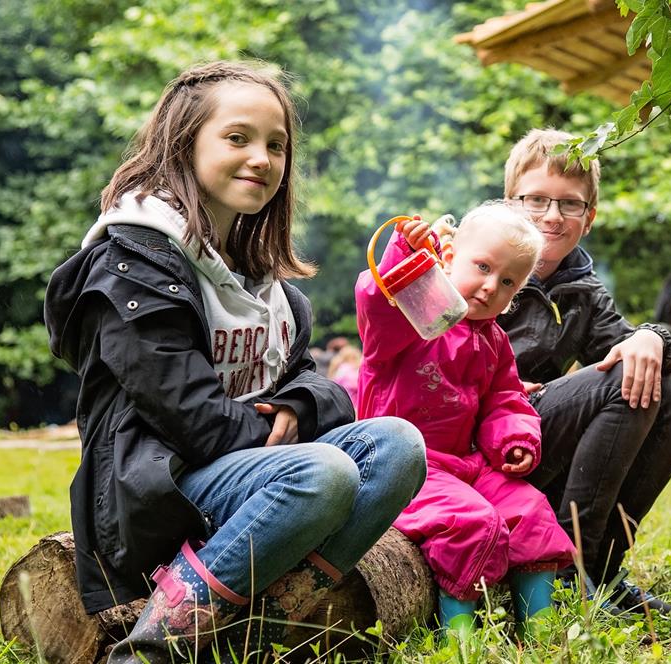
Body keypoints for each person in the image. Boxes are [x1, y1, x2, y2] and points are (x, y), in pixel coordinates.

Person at [43, 61, 427, 663]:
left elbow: (315, 387)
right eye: (238, 137)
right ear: (183, 144)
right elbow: (189, 415)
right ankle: (151, 650)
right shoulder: (133, 267)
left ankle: (260, 630)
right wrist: (290, 439)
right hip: (152, 491)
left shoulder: (269, 291)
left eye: (276, 146)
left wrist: (299, 406)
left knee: (398, 445)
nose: (262, 158)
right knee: (323, 471)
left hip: (248, 479)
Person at [496, 129, 671, 616]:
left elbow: (631, 349)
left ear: (588, 218)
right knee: (621, 377)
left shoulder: (582, 291)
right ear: (510, 204)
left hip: (538, 443)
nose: (552, 216)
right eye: (537, 200)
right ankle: (572, 567)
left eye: (569, 204)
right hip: (484, 444)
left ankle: (604, 569)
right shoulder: (474, 264)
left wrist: (655, 335)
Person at [355, 204, 574, 635]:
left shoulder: (493, 339)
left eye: (508, 281)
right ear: (449, 255)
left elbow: (505, 398)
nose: (491, 286)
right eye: (483, 267)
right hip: (401, 466)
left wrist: (514, 439)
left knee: (530, 510)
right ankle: (459, 637)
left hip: (462, 463)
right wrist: (405, 256)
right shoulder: (417, 316)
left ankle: (541, 628)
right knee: (471, 521)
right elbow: (377, 301)